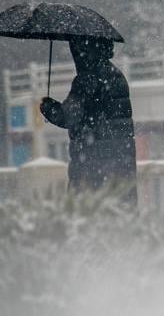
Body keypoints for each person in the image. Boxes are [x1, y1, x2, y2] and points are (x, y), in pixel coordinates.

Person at [38, 38, 137, 205]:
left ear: (84, 49)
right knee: (118, 209)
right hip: (120, 162)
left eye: (76, 48)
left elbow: (68, 117)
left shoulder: (87, 78)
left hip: (92, 163)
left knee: (87, 212)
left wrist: (48, 107)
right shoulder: (116, 75)